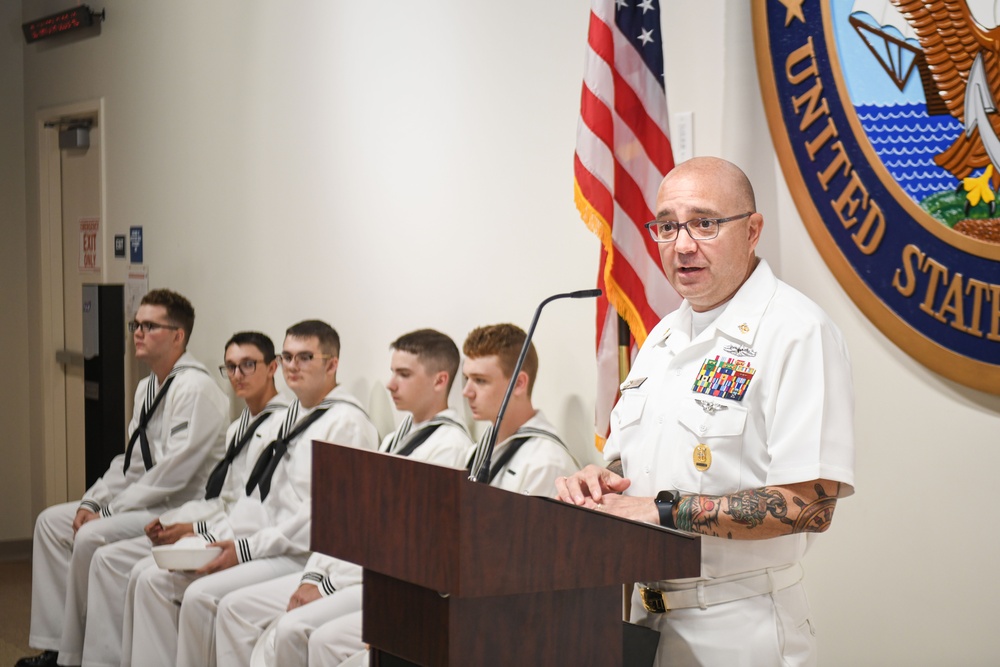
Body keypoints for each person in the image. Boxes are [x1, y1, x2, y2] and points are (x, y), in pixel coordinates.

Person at [555, 156, 856, 667]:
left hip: (739, 627)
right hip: (643, 623)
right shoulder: (663, 337)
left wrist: (667, 510)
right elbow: (633, 467)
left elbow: (811, 504)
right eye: (667, 226)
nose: (683, 244)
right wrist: (600, 483)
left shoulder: (797, 332)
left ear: (752, 230)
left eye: (705, 223)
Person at [214, 328, 475, 666]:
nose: (390, 384)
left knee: (301, 632)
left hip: (382, 582)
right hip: (341, 566)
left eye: (403, 374)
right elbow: (353, 520)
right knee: (268, 623)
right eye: (393, 372)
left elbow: (403, 546)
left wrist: (329, 583)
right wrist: (316, 575)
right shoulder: (396, 439)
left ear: (440, 381)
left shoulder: (450, 448)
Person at [128, 320, 379, 667]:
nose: (293, 366)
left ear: (331, 364)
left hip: (305, 552)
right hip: (270, 540)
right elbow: (257, 499)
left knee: (210, 599)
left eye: (305, 357)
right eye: (288, 356)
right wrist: (210, 535)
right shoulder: (292, 415)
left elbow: (327, 516)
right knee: (156, 574)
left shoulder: (345, 423)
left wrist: (246, 549)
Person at [17, 289, 229, 667]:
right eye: (136, 324)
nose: (138, 333)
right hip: (143, 498)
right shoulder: (148, 387)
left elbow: (172, 473)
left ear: (178, 336)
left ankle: (84, 656)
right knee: (51, 523)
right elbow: (132, 461)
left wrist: (111, 511)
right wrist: (93, 499)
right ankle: (57, 646)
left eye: (150, 326)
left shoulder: (196, 389)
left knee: (91, 535)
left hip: (179, 505)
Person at [78, 331, 287, 667]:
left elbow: (259, 511)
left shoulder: (283, 427)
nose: (237, 375)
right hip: (225, 524)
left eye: (248, 365)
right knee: (141, 572)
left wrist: (200, 530)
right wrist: (183, 524)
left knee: (153, 578)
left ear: (273, 367)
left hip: (255, 539)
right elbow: (227, 499)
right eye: (230, 367)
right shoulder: (239, 427)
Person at [463, 322, 579, 495]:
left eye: (480, 380)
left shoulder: (545, 463)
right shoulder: (479, 449)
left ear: (518, 384)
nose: (467, 392)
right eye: (466, 379)